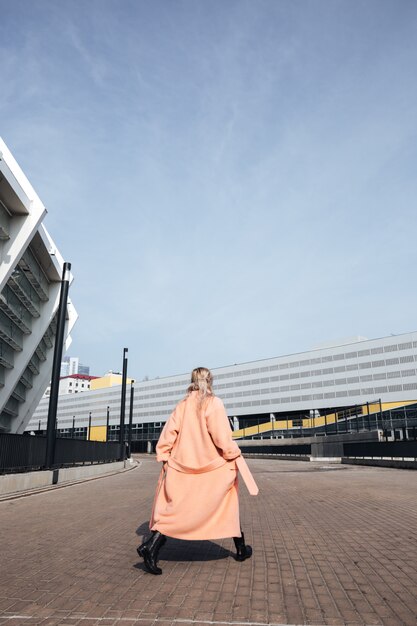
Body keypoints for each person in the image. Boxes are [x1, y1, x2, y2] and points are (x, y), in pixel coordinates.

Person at [137, 366, 256, 575]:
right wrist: (233, 454)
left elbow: (168, 434)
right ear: (210, 381)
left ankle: (152, 545)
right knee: (227, 502)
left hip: (182, 468)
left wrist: (164, 456)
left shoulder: (182, 405)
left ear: (191, 380)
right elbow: (221, 437)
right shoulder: (214, 403)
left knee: (178, 508)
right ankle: (240, 549)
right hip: (212, 469)